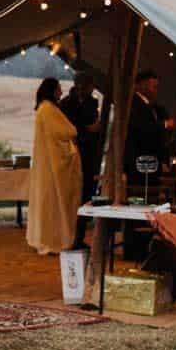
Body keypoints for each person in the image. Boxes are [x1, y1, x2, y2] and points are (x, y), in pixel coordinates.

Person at [26, 78, 82, 254]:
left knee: (49, 203)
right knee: (54, 203)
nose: (61, 91)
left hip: (49, 164)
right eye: (58, 88)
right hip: (52, 166)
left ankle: (49, 238)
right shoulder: (48, 110)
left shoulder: (44, 109)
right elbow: (67, 131)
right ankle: (55, 239)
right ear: (51, 90)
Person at [59, 72, 106, 205]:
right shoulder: (66, 103)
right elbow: (67, 126)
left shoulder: (92, 102)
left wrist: (96, 127)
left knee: (89, 182)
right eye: (90, 85)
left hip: (91, 148)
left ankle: (85, 212)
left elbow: (94, 121)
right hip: (74, 148)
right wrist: (85, 129)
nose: (92, 89)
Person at [123, 69, 173, 189]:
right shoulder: (134, 103)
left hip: (150, 162)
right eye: (153, 87)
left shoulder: (153, 107)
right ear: (143, 85)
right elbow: (141, 127)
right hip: (140, 160)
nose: (156, 90)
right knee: (141, 194)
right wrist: (164, 125)